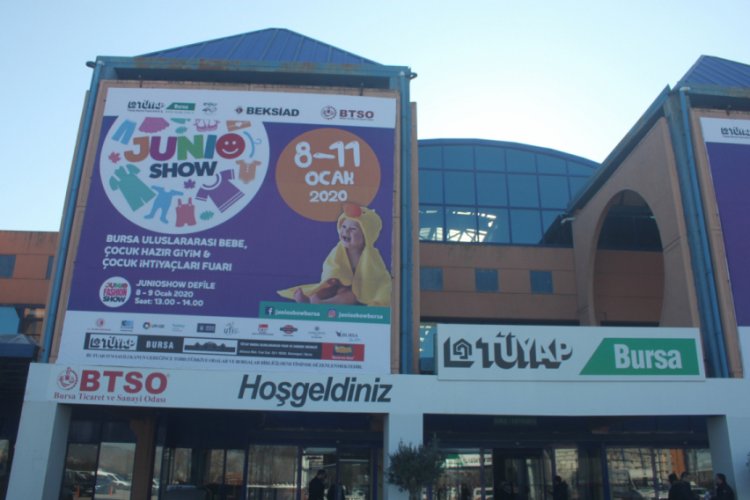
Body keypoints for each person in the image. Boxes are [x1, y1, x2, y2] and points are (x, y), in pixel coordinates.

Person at [278, 203, 391, 306]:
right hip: (340, 284)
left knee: (349, 296)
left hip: (359, 290)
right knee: (326, 290)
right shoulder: (338, 250)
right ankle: (308, 300)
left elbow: (376, 275)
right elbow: (331, 265)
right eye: (344, 227)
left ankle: (322, 303)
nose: (346, 232)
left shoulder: (371, 256)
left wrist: (364, 288)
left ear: (367, 235)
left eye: (353, 229)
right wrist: (332, 277)